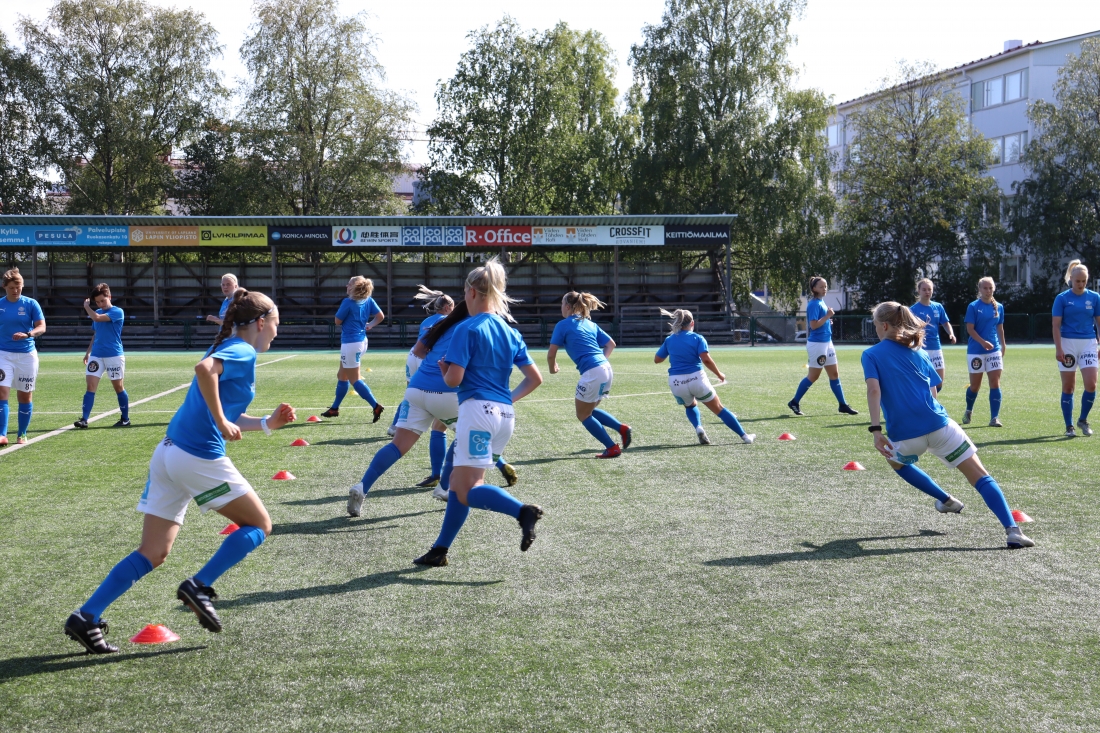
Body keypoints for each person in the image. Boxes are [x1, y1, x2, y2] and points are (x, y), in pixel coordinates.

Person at [64, 290, 297, 654]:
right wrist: (221, 420)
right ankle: (199, 586)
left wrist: (268, 424)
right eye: (277, 325)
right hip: (197, 456)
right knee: (260, 525)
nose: (277, 334)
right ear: (261, 323)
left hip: (169, 454)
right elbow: (205, 374)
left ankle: (86, 616)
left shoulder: (230, 349)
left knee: (153, 552)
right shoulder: (243, 348)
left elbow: (226, 410)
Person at [862, 301, 1033, 549]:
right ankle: (1013, 530)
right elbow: (934, 391)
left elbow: (874, 389)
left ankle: (946, 499)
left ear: (885, 325)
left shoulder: (871, 354)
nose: (876, 329)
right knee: (981, 477)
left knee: (897, 463)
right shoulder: (920, 353)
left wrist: (876, 430)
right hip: (940, 426)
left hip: (906, 435)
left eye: (876, 324)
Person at [411, 258, 544, 567]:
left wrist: (445, 369)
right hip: (504, 416)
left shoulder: (467, 328)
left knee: (467, 488)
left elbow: (454, 380)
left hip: (476, 413)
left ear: (470, 291)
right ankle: (440, 549)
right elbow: (534, 379)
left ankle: (522, 511)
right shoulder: (510, 331)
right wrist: (505, 400)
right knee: (460, 485)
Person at [348, 300, 469, 517]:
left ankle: (362, 487)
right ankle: (444, 487)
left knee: (397, 446)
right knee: (467, 435)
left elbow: (418, 352)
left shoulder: (440, 324)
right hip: (447, 391)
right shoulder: (474, 325)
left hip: (417, 388)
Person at [547, 291, 632, 458]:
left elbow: (551, 354)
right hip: (606, 369)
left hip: (593, 372)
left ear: (567, 306)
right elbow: (611, 344)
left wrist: (552, 368)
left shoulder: (562, 325)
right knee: (589, 410)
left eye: (561, 305)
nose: (561, 308)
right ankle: (621, 428)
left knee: (583, 415)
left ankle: (612, 447)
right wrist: (601, 362)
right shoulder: (589, 323)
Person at [654, 308, 754, 445]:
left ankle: (698, 427)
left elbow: (657, 359)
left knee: (690, 406)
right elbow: (706, 359)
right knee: (719, 408)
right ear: (692, 323)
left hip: (676, 382)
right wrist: (719, 374)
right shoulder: (697, 338)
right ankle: (745, 437)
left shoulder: (669, 339)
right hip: (696, 379)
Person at [388, 286, 454, 490]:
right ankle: (441, 476)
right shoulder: (452, 321)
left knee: (412, 394)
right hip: (435, 360)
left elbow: (421, 345)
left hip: (415, 357)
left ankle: (395, 425)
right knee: (445, 423)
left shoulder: (427, 321)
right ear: (449, 307)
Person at [788, 276, 860, 416]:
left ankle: (843, 404)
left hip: (827, 343)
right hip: (817, 345)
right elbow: (813, 325)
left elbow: (820, 322)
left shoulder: (821, 302)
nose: (824, 288)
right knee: (813, 376)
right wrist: (827, 317)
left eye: (826, 286)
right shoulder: (814, 304)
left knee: (834, 374)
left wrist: (827, 321)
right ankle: (794, 402)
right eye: (821, 286)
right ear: (814, 288)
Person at [322, 276, 385, 421]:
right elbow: (380, 316)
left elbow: (337, 321)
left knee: (354, 379)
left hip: (351, 344)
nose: (347, 286)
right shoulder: (368, 300)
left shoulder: (348, 302)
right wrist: (370, 325)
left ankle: (375, 405)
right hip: (362, 341)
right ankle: (334, 408)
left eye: (349, 284)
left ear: (355, 287)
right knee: (342, 375)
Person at [1052, 260, 1100, 437]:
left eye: (1084, 281)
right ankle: (1069, 426)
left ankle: (1083, 420)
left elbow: (1099, 323)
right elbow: (1056, 325)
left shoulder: (1094, 297)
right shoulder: (1062, 298)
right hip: (1068, 343)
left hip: (1088, 343)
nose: (1080, 284)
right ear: (1071, 279)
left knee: (1091, 384)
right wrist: (1059, 348)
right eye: (1078, 281)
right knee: (1068, 387)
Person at [75, 283, 131, 429]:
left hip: (114, 355)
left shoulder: (117, 312)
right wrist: (88, 352)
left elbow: (98, 318)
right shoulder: (97, 313)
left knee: (118, 387)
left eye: (102, 300)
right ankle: (84, 419)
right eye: (98, 302)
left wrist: (87, 307)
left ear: (109, 297)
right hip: (97, 355)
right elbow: (96, 334)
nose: (100, 304)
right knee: (90, 386)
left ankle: (125, 418)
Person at [0, 267, 45, 446]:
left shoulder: (31, 304)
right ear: (5, 287)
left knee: (25, 396)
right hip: (3, 354)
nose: (16, 290)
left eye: (18, 287)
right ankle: (2, 434)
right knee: (2, 392)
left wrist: (28, 334)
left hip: (27, 356)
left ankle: (22, 433)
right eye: (12, 287)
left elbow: (41, 327)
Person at [963, 277, 1006, 427]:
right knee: (975, 386)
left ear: (994, 289)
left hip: (994, 350)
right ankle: (969, 409)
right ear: (979, 289)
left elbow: (1000, 327)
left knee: (995, 383)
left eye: (990, 288)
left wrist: (1003, 345)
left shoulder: (999, 307)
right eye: (985, 288)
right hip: (976, 351)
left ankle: (994, 418)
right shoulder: (973, 306)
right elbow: (970, 329)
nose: (988, 291)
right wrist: (983, 342)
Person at [910, 278, 956, 391]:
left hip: (936, 347)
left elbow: (945, 323)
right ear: (919, 291)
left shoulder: (938, 307)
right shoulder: (913, 309)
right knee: (922, 379)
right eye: (924, 289)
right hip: (920, 348)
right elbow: (908, 328)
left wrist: (951, 333)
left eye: (929, 289)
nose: (927, 292)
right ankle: (926, 403)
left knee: (939, 382)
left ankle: (930, 401)